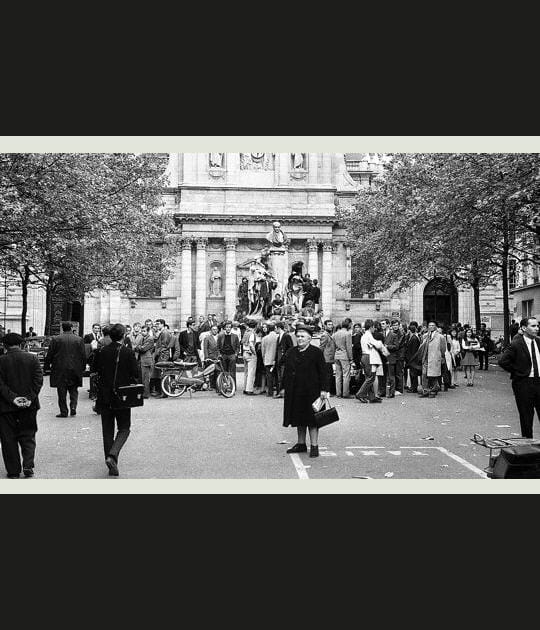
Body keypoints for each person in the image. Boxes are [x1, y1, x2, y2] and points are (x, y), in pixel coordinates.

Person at [93, 323, 140, 477]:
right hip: (122, 396)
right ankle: (113, 455)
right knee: (124, 428)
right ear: (123, 336)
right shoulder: (127, 352)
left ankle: (110, 460)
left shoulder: (102, 351)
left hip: (104, 396)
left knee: (107, 430)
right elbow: (136, 373)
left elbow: (94, 370)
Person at [0, 333, 43, 478]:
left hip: (6, 407)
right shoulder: (32, 358)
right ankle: (28, 465)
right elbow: (38, 381)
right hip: (29, 406)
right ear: (21, 344)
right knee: (28, 435)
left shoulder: (1, 361)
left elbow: (0, 385)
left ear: (5, 346)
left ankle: (13, 471)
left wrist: (13, 398)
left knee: (8, 439)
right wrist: (29, 398)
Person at [283, 325, 329, 458]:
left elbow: (323, 372)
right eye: (298, 336)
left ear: (309, 338)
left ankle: (314, 446)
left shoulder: (316, 352)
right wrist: (283, 387)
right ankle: (301, 443)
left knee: (313, 420)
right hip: (295, 391)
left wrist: (324, 389)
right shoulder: (291, 352)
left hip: (312, 392)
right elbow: (286, 371)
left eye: (303, 336)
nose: (300, 339)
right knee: (299, 419)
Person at [499, 317, 540, 438]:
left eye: (537, 326)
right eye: (533, 326)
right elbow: (503, 361)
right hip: (524, 384)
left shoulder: (539, 342)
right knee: (526, 417)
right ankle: (528, 449)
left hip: (539, 382)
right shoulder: (517, 344)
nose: (537, 328)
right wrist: (518, 372)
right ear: (523, 328)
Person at [44, 321, 87, 417]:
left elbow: (50, 354)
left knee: (61, 390)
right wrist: (83, 367)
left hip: (59, 368)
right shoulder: (79, 339)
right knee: (74, 389)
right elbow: (83, 355)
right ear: (71, 328)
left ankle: (64, 411)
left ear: (62, 328)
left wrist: (46, 367)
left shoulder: (56, 339)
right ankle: (73, 406)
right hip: (75, 368)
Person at [355, 319, 386, 404]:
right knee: (371, 377)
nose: (375, 329)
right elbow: (376, 344)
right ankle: (360, 394)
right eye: (374, 327)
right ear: (371, 327)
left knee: (369, 377)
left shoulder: (364, 335)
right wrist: (381, 344)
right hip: (369, 357)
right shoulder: (368, 335)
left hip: (364, 356)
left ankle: (372, 397)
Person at [418, 321, 447, 398]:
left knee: (433, 375)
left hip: (434, 358)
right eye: (429, 325)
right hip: (425, 358)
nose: (431, 327)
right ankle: (426, 390)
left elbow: (443, 349)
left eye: (433, 325)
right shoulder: (425, 336)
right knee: (424, 374)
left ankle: (434, 390)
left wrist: (440, 356)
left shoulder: (440, 337)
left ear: (436, 327)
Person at [333, 317, 353, 398]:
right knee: (346, 375)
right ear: (348, 325)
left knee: (338, 375)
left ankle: (338, 393)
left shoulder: (335, 334)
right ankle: (345, 393)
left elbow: (334, 346)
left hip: (337, 355)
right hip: (344, 356)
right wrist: (351, 358)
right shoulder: (347, 334)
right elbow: (349, 347)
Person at [274, 320, 294, 398]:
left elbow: (290, 348)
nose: (274, 330)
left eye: (275, 328)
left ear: (279, 328)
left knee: (283, 377)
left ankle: (284, 393)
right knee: (280, 378)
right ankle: (281, 392)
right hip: (279, 361)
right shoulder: (279, 337)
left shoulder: (286, 336)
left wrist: (285, 357)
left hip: (284, 361)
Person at [133, 325, 154, 398]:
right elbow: (137, 347)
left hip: (146, 360)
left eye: (144, 331)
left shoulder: (150, 339)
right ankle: (142, 393)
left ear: (148, 331)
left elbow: (143, 349)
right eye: (142, 331)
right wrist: (138, 347)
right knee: (141, 378)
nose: (142, 332)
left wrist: (138, 347)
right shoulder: (142, 338)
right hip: (141, 359)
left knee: (145, 378)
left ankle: (146, 394)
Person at [385, 320, 405, 397]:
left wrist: (388, 346)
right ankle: (396, 388)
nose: (395, 326)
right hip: (395, 355)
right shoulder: (393, 333)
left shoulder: (401, 334)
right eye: (394, 325)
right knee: (395, 373)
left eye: (396, 325)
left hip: (399, 355)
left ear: (399, 325)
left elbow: (398, 345)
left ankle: (399, 390)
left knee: (399, 373)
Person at [217, 321, 240, 386]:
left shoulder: (235, 336)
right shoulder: (221, 336)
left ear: (231, 328)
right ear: (224, 328)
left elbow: (238, 346)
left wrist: (236, 354)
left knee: (232, 372)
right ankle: (224, 387)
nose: (228, 328)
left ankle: (233, 387)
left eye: (229, 327)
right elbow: (218, 346)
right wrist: (219, 354)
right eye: (227, 327)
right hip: (223, 355)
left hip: (232, 355)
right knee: (224, 372)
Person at [261, 322, 279, 397]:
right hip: (276, 359)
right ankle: (278, 391)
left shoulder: (265, 338)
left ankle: (270, 392)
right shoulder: (278, 337)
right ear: (275, 328)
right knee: (277, 376)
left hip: (268, 359)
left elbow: (263, 350)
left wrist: (263, 358)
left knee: (269, 377)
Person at [319, 319, 337, 397]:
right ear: (325, 326)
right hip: (326, 359)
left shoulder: (330, 334)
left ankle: (328, 391)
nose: (331, 326)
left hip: (330, 359)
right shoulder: (325, 335)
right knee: (327, 376)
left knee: (329, 376)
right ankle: (327, 391)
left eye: (331, 324)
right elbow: (321, 347)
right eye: (329, 324)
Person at [241, 320, 258, 395]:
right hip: (250, 353)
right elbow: (251, 344)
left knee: (246, 372)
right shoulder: (252, 333)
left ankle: (245, 388)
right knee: (251, 372)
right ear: (255, 326)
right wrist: (255, 353)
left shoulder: (246, 332)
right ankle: (249, 390)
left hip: (245, 352)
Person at [404, 322, 421, 393]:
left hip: (412, 359)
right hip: (412, 359)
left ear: (410, 331)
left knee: (413, 374)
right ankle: (413, 387)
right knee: (412, 374)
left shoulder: (414, 338)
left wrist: (409, 360)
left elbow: (413, 351)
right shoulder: (414, 337)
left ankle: (413, 388)